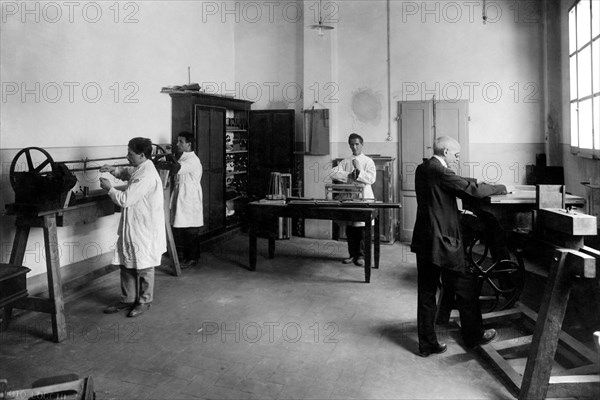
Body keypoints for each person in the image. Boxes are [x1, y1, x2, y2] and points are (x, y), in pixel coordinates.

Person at [410, 136, 507, 357]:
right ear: (445, 152)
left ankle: (427, 345)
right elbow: (471, 190)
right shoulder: (441, 171)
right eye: (455, 155)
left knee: (426, 292)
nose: (457, 158)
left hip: (425, 239)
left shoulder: (423, 168)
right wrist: (500, 187)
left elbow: (444, 191)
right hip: (442, 241)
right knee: (465, 285)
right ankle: (474, 335)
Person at [99, 137, 166, 318]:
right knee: (126, 262)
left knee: (144, 265)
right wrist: (115, 170)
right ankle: (127, 299)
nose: (127, 156)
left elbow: (125, 199)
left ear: (142, 155)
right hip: (134, 224)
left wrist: (110, 188)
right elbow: (130, 172)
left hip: (144, 227)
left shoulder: (146, 175)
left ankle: (145, 301)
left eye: (130, 153)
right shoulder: (142, 167)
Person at [330, 133, 377, 267]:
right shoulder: (345, 161)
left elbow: (371, 179)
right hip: (349, 197)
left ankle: (361, 255)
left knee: (361, 227)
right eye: (352, 144)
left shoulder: (368, 161)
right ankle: (352, 254)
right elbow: (333, 173)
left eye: (357, 144)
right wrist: (348, 175)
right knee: (350, 228)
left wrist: (358, 170)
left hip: (363, 197)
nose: (354, 147)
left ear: (362, 144)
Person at [170, 131, 203, 268]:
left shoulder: (192, 160)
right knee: (184, 227)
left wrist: (168, 158)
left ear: (189, 144)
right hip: (183, 194)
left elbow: (177, 169)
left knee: (191, 228)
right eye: (178, 141)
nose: (177, 144)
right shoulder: (183, 158)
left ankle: (192, 258)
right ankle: (187, 257)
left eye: (180, 142)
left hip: (189, 196)